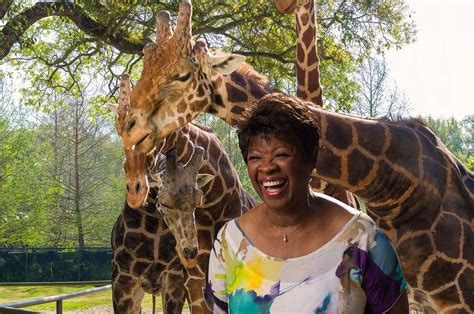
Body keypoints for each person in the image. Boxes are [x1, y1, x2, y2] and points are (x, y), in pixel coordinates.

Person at [205, 93, 409, 313]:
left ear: (311, 158)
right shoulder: (230, 243)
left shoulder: (363, 240)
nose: (267, 167)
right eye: (255, 157)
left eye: (281, 154)